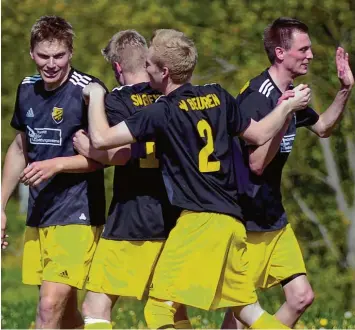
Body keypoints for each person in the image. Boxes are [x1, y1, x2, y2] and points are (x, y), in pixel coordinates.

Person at [82, 29, 311, 329]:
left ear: (164, 72)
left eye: (149, 64)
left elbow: (100, 138)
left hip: (198, 222)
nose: (144, 68)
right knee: (249, 312)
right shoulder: (217, 94)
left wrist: (97, 94)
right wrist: (286, 107)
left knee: (158, 312)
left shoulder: (163, 110)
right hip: (233, 222)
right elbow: (259, 133)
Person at [221, 17, 354, 329]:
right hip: (246, 218)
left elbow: (322, 128)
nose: (310, 55)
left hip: (273, 217)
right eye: (303, 49)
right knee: (241, 314)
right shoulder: (256, 97)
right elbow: (256, 164)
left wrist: (345, 90)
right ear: (281, 53)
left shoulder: (290, 92)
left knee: (301, 297)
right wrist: (284, 117)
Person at [72, 29, 191, 330]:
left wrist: (91, 150)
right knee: (173, 311)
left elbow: (122, 153)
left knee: (95, 306)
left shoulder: (116, 100)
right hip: (175, 216)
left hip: (133, 217)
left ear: (116, 67)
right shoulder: (171, 97)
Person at [1, 16, 107, 329]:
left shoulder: (89, 91)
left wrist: (57, 164)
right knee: (64, 312)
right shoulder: (26, 89)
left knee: (48, 309)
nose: (51, 64)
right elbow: (20, 148)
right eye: (44, 56)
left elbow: (106, 157)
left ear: (71, 53)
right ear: (31, 53)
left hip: (78, 213)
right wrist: (2, 207)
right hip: (40, 211)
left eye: (59, 56)